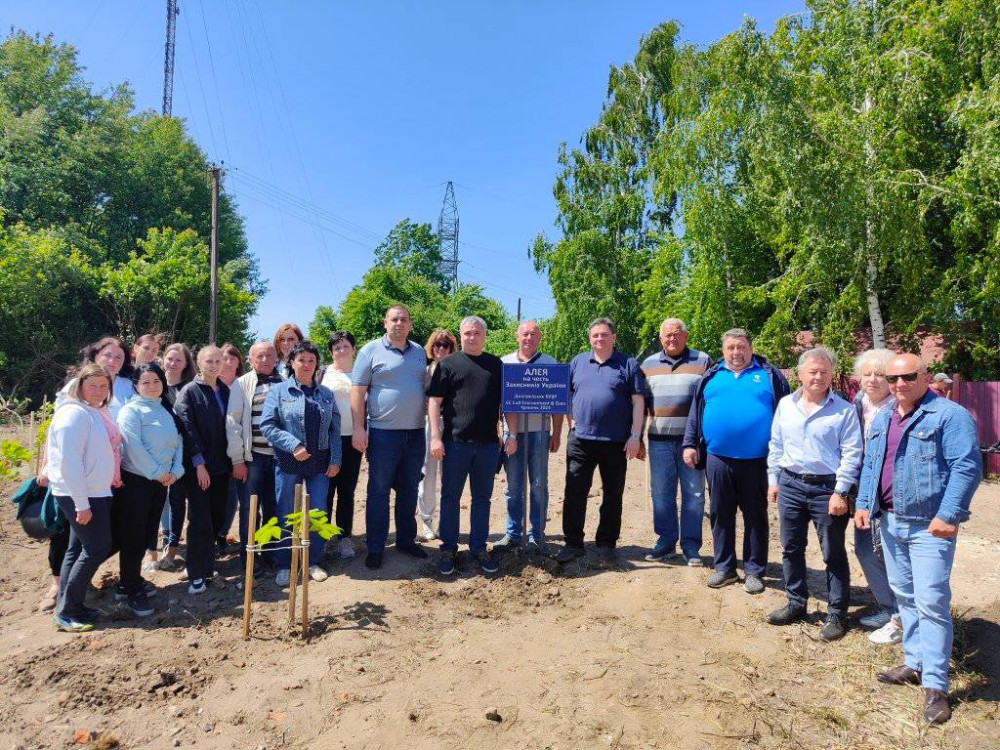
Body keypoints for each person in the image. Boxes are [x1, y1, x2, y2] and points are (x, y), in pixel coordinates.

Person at [855, 353, 981, 725]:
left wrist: (949, 514)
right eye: (893, 380)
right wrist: (864, 503)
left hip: (929, 527)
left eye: (907, 377)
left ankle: (936, 685)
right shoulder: (883, 416)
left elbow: (967, 466)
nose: (898, 385)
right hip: (890, 522)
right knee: (906, 596)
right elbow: (871, 465)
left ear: (925, 377)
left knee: (931, 601)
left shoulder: (949, 415)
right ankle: (914, 662)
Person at [765, 348, 862, 641]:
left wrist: (841, 491)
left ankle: (836, 613)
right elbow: (776, 445)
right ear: (800, 374)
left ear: (832, 374)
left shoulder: (844, 410)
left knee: (832, 552)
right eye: (812, 371)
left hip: (827, 489)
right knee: (791, 547)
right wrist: (774, 480)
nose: (818, 377)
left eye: (824, 371)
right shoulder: (785, 404)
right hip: (791, 485)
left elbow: (852, 454)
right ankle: (796, 603)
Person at [683, 328, 790, 593]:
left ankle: (754, 571)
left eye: (741, 347)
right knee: (720, 513)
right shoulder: (711, 376)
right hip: (718, 458)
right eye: (730, 347)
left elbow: (787, 413)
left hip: (757, 460)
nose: (736, 352)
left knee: (755, 515)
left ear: (750, 348)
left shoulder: (769, 375)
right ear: (723, 351)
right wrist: (689, 443)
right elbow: (695, 413)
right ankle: (725, 568)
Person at [429, 317, 518, 575]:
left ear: (484, 336)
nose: (472, 337)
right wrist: (436, 437)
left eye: (477, 333)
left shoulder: (495, 365)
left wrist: (511, 434)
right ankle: (448, 548)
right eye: (467, 333)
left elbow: (507, 404)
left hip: (488, 446)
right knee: (450, 498)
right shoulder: (447, 364)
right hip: (455, 444)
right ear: (461, 335)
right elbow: (435, 402)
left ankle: (479, 547)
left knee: (482, 499)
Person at [555, 318, 645, 564]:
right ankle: (573, 543)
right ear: (589, 339)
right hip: (581, 440)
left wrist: (636, 436)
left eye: (604, 335)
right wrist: (571, 420)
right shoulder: (578, 362)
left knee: (613, 494)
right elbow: (567, 394)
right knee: (574, 492)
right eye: (595, 336)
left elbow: (638, 402)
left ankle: (606, 543)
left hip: (616, 441)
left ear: (613, 337)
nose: (599, 339)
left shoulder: (628, 364)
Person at [351, 305, 429, 570]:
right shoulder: (370, 350)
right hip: (383, 434)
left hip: (416, 434)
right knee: (378, 491)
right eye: (394, 319)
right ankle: (375, 547)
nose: (399, 323)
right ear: (385, 323)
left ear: (410, 324)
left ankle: (406, 541)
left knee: (408, 490)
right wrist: (359, 428)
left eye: (404, 319)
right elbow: (357, 391)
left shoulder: (419, 352)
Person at [260, 340, 342, 586]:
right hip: (288, 462)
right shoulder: (279, 391)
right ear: (291, 363)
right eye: (301, 360)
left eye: (311, 361)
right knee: (286, 512)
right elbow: (267, 425)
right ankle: (285, 564)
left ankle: (312, 561)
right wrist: (293, 445)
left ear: (317, 364)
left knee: (317, 512)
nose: (306, 365)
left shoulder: (326, 394)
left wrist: (336, 459)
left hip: (320, 463)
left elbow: (335, 430)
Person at [44, 364, 117, 632]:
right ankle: (68, 611)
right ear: (80, 386)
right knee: (97, 547)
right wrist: (81, 503)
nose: (98, 391)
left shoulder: (91, 412)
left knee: (77, 550)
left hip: (93, 492)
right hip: (82, 494)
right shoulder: (73, 415)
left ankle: (71, 604)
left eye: (103, 386)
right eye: (92, 385)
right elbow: (68, 463)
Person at [639, 318, 712, 565]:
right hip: (658, 440)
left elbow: (710, 401)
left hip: (691, 443)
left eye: (677, 334)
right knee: (661, 493)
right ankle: (666, 540)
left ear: (686, 336)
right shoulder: (648, 364)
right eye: (667, 335)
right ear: (660, 339)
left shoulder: (703, 361)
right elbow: (639, 404)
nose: (672, 339)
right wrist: (636, 436)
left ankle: (691, 546)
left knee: (694, 494)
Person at [115, 363, 184, 617]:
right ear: (136, 386)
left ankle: (130, 582)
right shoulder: (130, 412)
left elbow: (178, 442)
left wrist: (176, 472)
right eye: (145, 382)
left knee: (147, 532)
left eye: (156, 381)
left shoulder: (164, 410)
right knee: (133, 536)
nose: (152, 386)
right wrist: (158, 473)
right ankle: (129, 588)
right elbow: (133, 448)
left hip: (161, 483)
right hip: (137, 482)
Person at [495, 320, 563, 550]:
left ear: (539, 338)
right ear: (517, 336)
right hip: (511, 434)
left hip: (540, 432)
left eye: (533, 334)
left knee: (538, 484)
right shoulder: (504, 362)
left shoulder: (550, 363)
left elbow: (557, 402)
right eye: (524, 334)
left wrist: (556, 433)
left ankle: (537, 534)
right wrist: (500, 433)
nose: (528, 338)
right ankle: (513, 533)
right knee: (513, 487)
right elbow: (497, 403)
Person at [851, 349, 902, 645]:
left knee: (887, 550)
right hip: (862, 487)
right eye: (867, 374)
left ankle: (900, 615)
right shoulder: (858, 403)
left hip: (889, 490)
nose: (872, 379)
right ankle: (889, 608)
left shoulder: (898, 407)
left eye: (879, 374)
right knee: (865, 547)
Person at [174, 345, 232, 595]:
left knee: (217, 517)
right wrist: (198, 463)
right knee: (200, 520)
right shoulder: (189, 392)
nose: (214, 364)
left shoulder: (226, 391)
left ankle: (205, 564)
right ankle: (197, 575)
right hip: (199, 468)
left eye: (219, 360)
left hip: (223, 467)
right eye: (209, 360)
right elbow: (187, 428)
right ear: (199, 363)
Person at [226, 341, 282, 568]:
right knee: (250, 509)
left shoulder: (285, 382)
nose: (265, 359)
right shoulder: (241, 384)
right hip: (253, 458)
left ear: (276, 358)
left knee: (273, 508)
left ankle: (270, 554)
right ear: (250, 359)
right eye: (260, 356)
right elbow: (233, 423)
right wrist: (238, 459)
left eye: (270, 355)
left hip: (278, 458)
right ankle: (249, 557)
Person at [321, 331, 363, 559]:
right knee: (325, 490)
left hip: (353, 439)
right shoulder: (323, 373)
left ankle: (344, 537)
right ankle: (325, 536)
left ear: (353, 349)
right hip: (326, 441)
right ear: (331, 352)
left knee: (347, 490)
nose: (341, 351)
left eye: (346, 346)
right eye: (336, 347)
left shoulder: (361, 374)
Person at [416, 328, 457, 541]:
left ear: (452, 348)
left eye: (445, 345)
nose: (441, 348)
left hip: (452, 426)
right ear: (431, 348)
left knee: (450, 476)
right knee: (427, 475)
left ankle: (445, 522)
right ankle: (427, 521)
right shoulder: (425, 371)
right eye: (437, 344)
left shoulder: (457, 369)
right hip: (428, 426)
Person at [158, 343, 196, 570]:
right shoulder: (153, 384)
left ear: (186, 364)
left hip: (183, 455)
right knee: (162, 502)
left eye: (178, 360)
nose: (172, 363)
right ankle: (160, 546)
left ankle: (172, 548)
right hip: (158, 456)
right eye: (169, 358)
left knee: (177, 501)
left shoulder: (188, 389)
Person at [62, 337, 135, 421]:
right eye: (107, 355)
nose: (112, 361)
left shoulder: (130, 387)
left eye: (118, 357)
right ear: (96, 356)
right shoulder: (76, 384)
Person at [217, 343, 244, 553]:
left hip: (237, 447)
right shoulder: (212, 384)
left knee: (232, 494)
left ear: (238, 362)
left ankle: (222, 534)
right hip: (215, 449)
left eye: (232, 358)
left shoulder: (242, 385)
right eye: (223, 357)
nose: (227, 362)